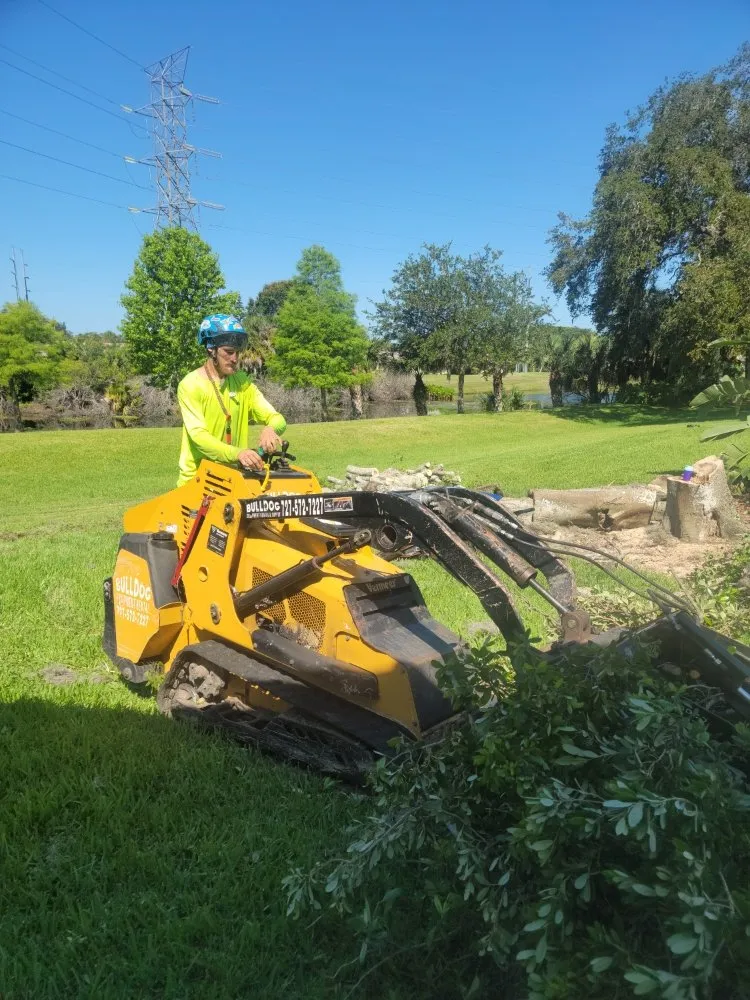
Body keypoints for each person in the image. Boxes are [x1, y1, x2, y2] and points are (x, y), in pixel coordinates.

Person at [176, 314, 287, 486]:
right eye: (228, 352)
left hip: (233, 480)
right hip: (197, 482)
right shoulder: (190, 385)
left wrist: (271, 429)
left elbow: (277, 418)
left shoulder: (242, 382)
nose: (235, 359)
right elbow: (199, 437)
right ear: (210, 349)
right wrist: (238, 453)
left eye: (237, 352)